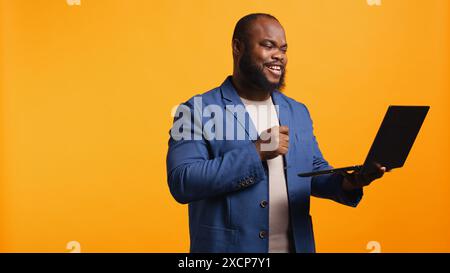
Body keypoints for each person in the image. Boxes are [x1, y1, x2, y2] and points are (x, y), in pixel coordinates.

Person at [166, 13, 386, 253]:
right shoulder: (196, 110)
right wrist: (256, 152)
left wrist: (349, 182)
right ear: (238, 47)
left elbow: (310, 173)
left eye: (283, 48)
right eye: (268, 45)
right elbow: (183, 181)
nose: (279, 55)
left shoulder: (297, 111)